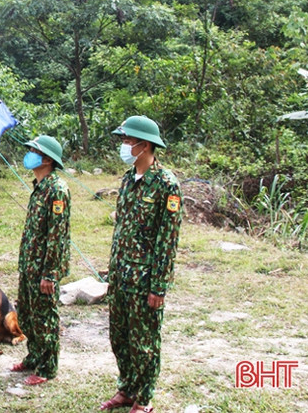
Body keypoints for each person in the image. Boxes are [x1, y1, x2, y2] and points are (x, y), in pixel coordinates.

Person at [100, 115, 182, 413]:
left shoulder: (166, 184)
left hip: (145, 280)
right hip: (121, 275)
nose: (123, 146)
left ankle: (144, 399)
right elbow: (121, 229)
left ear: (143, 144)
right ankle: (127, 388)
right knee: (119, 335)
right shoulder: (127, 179)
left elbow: (167, 241)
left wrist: (158, 286)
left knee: (144, 341)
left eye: (126, 140)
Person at [11, 135, 70, 386]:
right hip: (30, 264)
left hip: (44, 268)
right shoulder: (40, 186)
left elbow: (57, 236)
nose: (29, 155)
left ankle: (47, 367)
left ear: (46, 158)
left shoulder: (57, 189)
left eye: (33, 151)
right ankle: (34, 355)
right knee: (27, 314)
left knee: (45, 318)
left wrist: (50, 273)